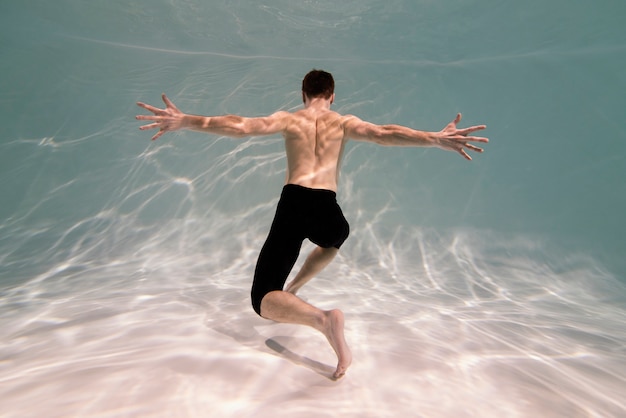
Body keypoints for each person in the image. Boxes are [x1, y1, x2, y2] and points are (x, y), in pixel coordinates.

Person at [136, 69, 488, 379]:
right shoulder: (343, 122)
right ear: (332, 96)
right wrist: (435, 138)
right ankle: (298, 289)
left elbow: (240, 125)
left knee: (262, 299)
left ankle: (320, 319)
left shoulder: (291, 119)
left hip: (293, 203)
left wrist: (186, 120)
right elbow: (383, 133)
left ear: (303, 95)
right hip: (326, 207)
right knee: (336, 237)